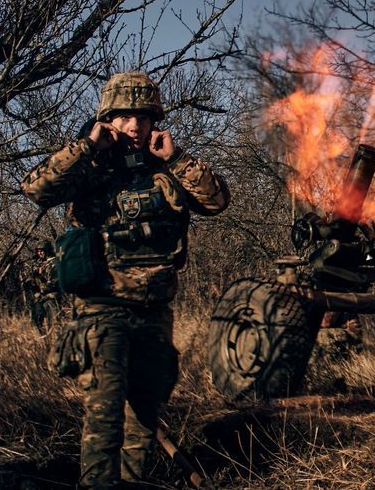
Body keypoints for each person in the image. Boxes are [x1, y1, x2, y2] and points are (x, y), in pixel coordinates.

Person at [20, 71, 230, 489]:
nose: (134, 126)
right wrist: (86, 147)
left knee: (144, 416)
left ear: (155, 121)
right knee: (105, 411)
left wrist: (177, 158)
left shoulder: (166, 168)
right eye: (124, 117)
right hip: (102, 310)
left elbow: (217, 200)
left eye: (143, 117)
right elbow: (36, 188)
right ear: (108, 121)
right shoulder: (89, 165)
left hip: (154, 312)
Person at [25, 241, 58, 332]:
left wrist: (42, 291)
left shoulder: (54, 262)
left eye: (42, 250)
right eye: (38, 251)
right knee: (36, 320)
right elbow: (31, 279)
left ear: (47, 250)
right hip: (39, 296)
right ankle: (41, 337)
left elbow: (54, 282)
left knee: (54, 320)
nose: (40, 253)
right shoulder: (37, 263)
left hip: (51, 295)